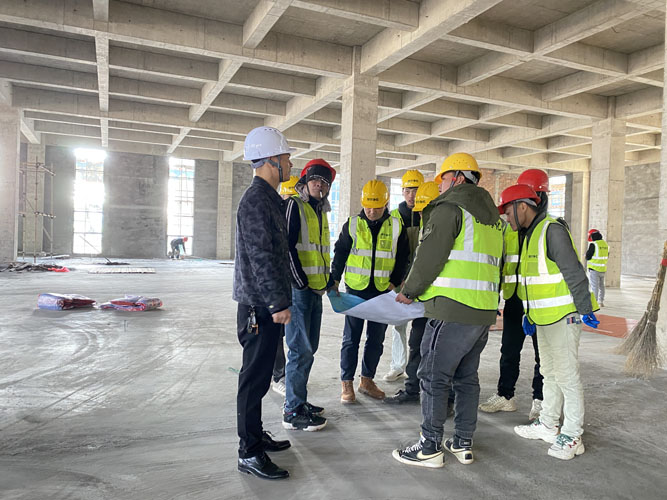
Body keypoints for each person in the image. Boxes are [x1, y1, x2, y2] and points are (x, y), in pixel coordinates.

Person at [392, 153, 503, 468]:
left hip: (451, 309)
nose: (439, 185)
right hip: (483, 312)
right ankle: (462, 442)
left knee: (433, 376)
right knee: (466, 378)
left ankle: (429, 446)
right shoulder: (494, 219)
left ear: (457, 177)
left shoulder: (450, 209)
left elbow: (430, 256)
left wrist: (409, 291)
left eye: (442, 178)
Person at [498, 184, 599, 461]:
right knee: (549, 373)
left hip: (564, 317)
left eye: (508, 211)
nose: (506, 217)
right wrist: (529, 313)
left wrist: (585, 308)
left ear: (522, 206)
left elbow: (573, 271)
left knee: (567, 376)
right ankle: (548, 424)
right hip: (543, 318)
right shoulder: (530, 234)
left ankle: (573, 435)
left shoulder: (552, 230)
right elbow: (533, 281)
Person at [234, 126, 294, 480]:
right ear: (272, 160)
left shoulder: (269, 198)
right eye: (287, 157)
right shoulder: (257, 200)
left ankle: (256, 436)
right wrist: (276, 303)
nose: (290, 164)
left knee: (259, 377)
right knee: (253, 379)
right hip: (259, 307)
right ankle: (249, 452)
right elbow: (261, 257)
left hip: (265, 304)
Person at [328, 179, 410, 403]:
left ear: (386, 204)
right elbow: (340, 253)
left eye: (377, 207)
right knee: (351, 338)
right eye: (368, 207)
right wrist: (334, 279)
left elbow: (403, 256)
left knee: (376, 339)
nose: (372, 211)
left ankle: (367, 381)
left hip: (382, 292)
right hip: (356, 291)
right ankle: (347, 383)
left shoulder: (396, 226)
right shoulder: (353, 224)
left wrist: (395, 281)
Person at [480, 169, 549, 421]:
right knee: (509, 351)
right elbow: (499, 265)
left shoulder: (548, 229)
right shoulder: (507, 229)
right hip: (514, 301)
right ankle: (505, 395)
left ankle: (540, 400)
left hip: (540, 303)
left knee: (544, 355)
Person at [282, 159, 336, 431]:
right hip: (300, 291)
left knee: (309, 349)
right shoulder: (295, 205)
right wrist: (299, 281)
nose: (319, 185)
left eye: (324, 182)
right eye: (315, 179)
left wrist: (328, 280)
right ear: (304, 181)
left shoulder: (320, 210)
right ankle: (292, 410)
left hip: (316, 289)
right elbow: (286, 247)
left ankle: (299, 402)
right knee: (299, 349)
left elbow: (321, 251)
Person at [384, 181, 438, 405]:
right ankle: (413, 388)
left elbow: (427, 263)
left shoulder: (440, 227)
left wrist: (410, 290)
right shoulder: (422, 224)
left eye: (424, 209)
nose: (421, 214)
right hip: (419, 292)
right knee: (416, 340)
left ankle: (436, 394)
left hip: (435, 297)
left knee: (432, 345)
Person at [384, 170, 423, 382]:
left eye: (415, 190)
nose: (411, 195)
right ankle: (398, 365)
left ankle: (419, 368)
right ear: (402, 191)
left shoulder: (429, 213)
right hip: (399, 278)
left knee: (421, 324)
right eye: (408, 190)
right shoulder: (394, 217)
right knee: (398, 323)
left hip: (422, 278)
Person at [271, 174, 299, 397]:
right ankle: (278, 375)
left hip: (291, 285)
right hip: (277, 286)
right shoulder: (273, 218)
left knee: (289, 333)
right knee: (276, 333)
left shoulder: (292, 218)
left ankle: (285, 374)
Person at [586, 229, 608, 307]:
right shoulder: (605, 244)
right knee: (601, 286)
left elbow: (588, 257)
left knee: (594, 286)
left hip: (594, 269)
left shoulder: (594, 244)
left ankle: (593, 303)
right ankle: (601, 302)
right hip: (602, 269)